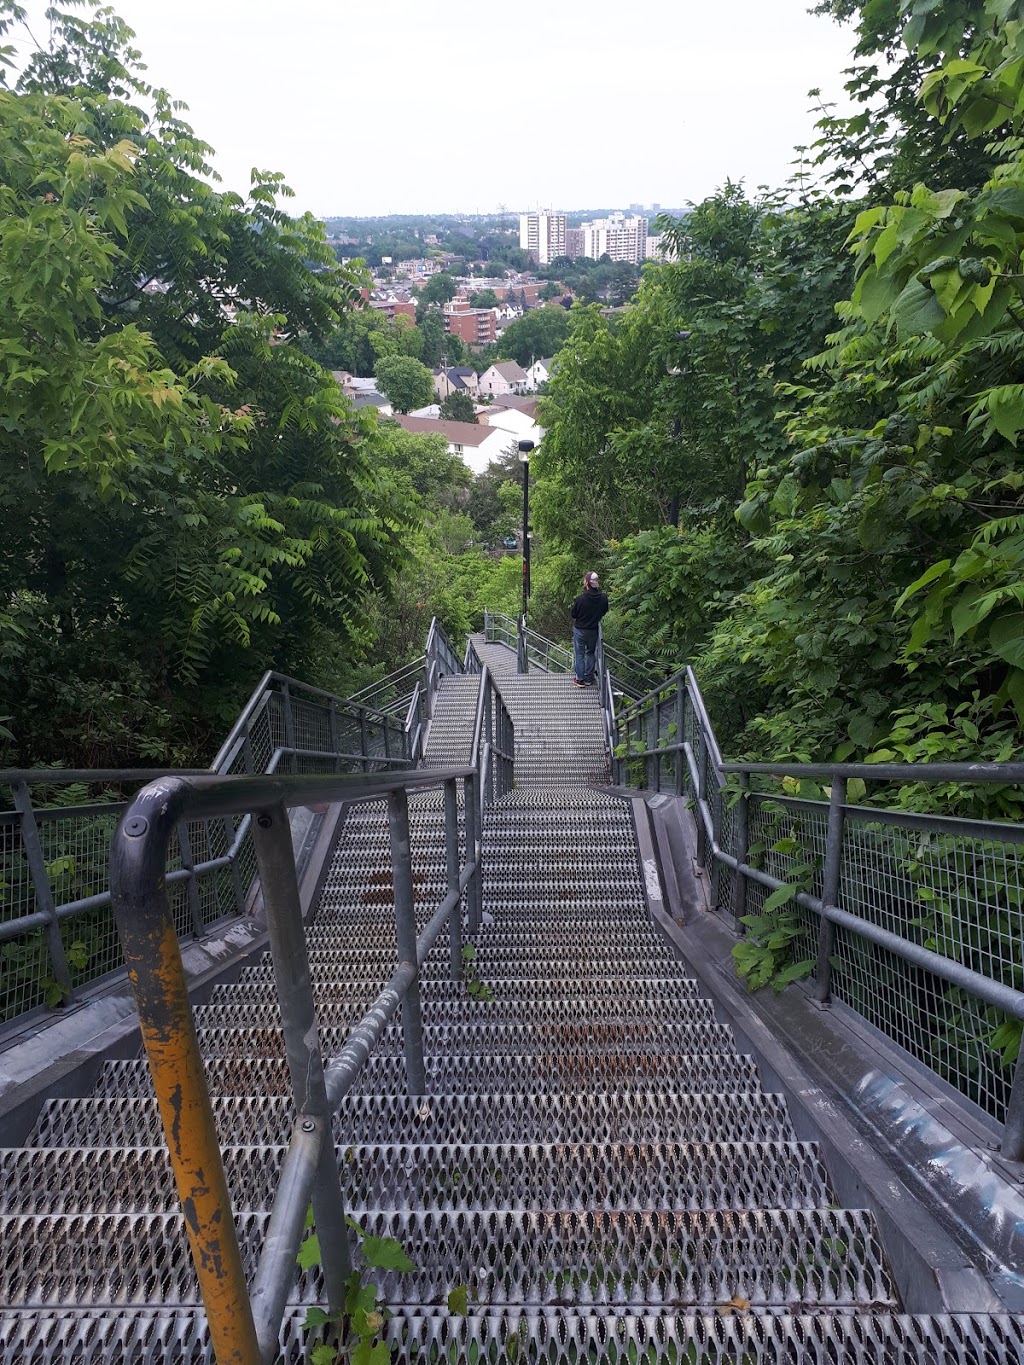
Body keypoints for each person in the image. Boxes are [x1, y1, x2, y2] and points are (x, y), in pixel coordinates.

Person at [570, 570, 609, 686]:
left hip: (580, 630)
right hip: (593, 630)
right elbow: (604, 611)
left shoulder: (580, 599)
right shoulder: (603, 598)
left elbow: (573, 614)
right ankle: (588, 678)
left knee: (579, 654)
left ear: (587, 583)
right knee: (590, 653)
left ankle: (580, 679)